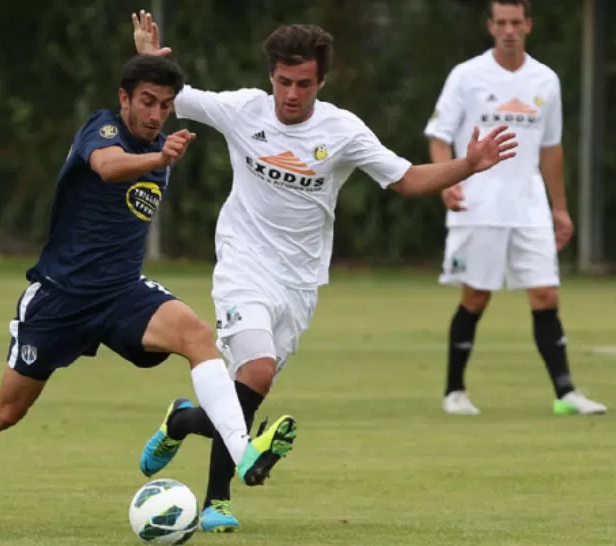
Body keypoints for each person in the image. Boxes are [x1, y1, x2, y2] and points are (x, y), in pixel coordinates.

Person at [131, 11, 519, 533]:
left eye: (305, 84)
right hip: (242, 263)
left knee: (245, 392)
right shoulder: (241, 109)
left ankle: (182, 419)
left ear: (321, 81)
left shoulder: (342, 130)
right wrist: (152, 61)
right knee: (257, 370)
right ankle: (216, 502)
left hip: (300, 282)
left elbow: (405, 179)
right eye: (285, 82)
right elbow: (168, 97)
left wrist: (468, 165)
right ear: (271, 76)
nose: (293, 94)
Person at [0, 55, 299, 529]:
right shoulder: (105, 130)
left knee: (196, 334)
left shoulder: (162, 149)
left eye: (165, 105)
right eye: (146, 101)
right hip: (59, 298)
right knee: (5, 412)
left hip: (121, 295)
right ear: (124, 99)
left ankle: (243, 452)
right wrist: (159, 158)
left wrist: (160, 146)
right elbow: (108, 167)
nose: (155, 114)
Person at [425, 0, 606, 416]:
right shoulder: (467, 76)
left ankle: (565, 393)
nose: (509, 29)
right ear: (491, 26)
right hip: (478, 204)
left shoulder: (546, 79)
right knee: (476, 295)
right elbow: (439, 134)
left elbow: (551, 148)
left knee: (545, 293)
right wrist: (444, 180)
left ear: (528, 25)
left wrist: (559, 208)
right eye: (501, 22)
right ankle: (454, 392)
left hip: (530, 207)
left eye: (516, 22)